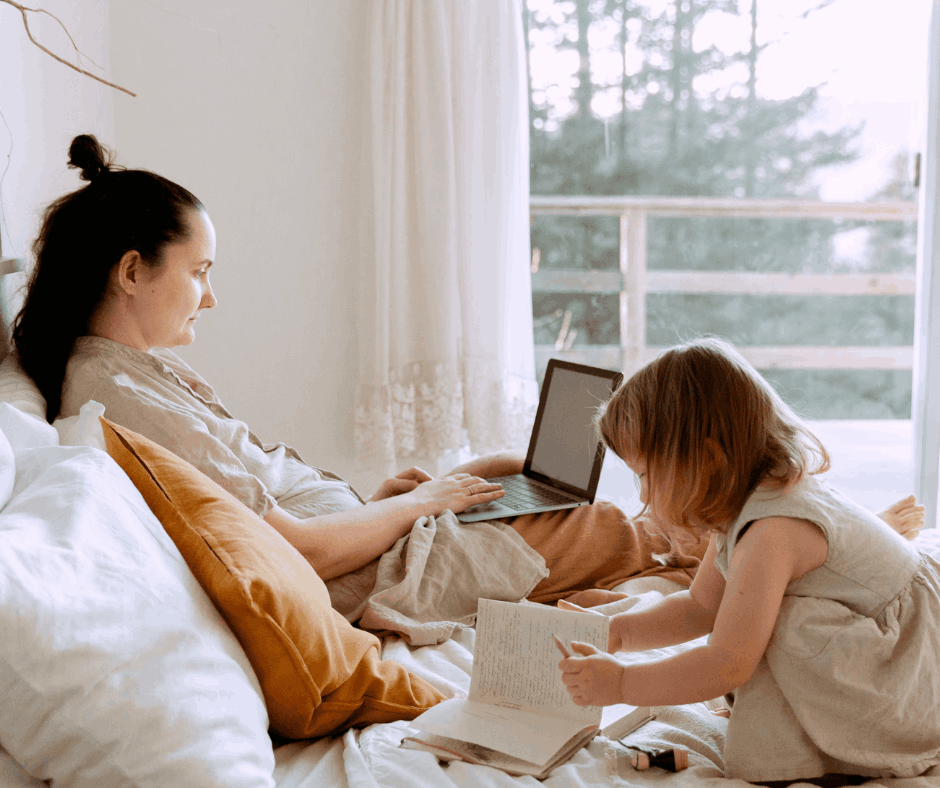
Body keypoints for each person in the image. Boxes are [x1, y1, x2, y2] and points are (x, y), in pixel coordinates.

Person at [10, 135, 921, 607]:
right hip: (373, 572)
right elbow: (295, 552)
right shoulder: (116, 397)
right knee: (596, 518)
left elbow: (278, 507)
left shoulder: (124, 377)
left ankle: (771, 546)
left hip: (375, 534)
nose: (210, 300)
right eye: (199, 272)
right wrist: (410, 509)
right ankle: (790, 550)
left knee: (500, 474)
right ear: (133, 271)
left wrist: (392, 494)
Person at [556, 338, 938, 783]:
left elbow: (727, 663)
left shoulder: (773, 531)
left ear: (708, 459)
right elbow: (699, 608)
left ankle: (817, 759)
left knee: (775, 626)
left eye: (645, 475)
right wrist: (614, 634)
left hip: (905, 682)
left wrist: (621, 684)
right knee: (748, 615)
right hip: (890, 661)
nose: (642, 495)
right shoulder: (745, 508)